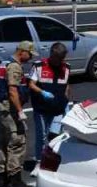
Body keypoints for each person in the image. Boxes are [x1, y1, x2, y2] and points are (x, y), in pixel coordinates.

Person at [0, 41, 35, 187]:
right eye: (29, 54)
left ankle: (0, 176)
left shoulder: (4, 63)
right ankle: (15, 181)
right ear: (22, 51)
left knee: (4, 141)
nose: (30, 58)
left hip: (0, 107)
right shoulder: (15, 66)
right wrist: (20, 111)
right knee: (17, 142)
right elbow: (12, 91)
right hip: (9, 108)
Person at [28, 42, 71, 173]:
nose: (60, 61)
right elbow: (31, 84)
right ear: (52, 54)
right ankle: (39, 162)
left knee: (56, 136)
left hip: (58, 109)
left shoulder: (66, 67)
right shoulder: (39, 66)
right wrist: (42, 92)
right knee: (41, 136)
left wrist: (67, 102)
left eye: (62, 58)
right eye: (58, 58)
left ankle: (53, 161)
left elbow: (67, 85)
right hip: (42, 108)